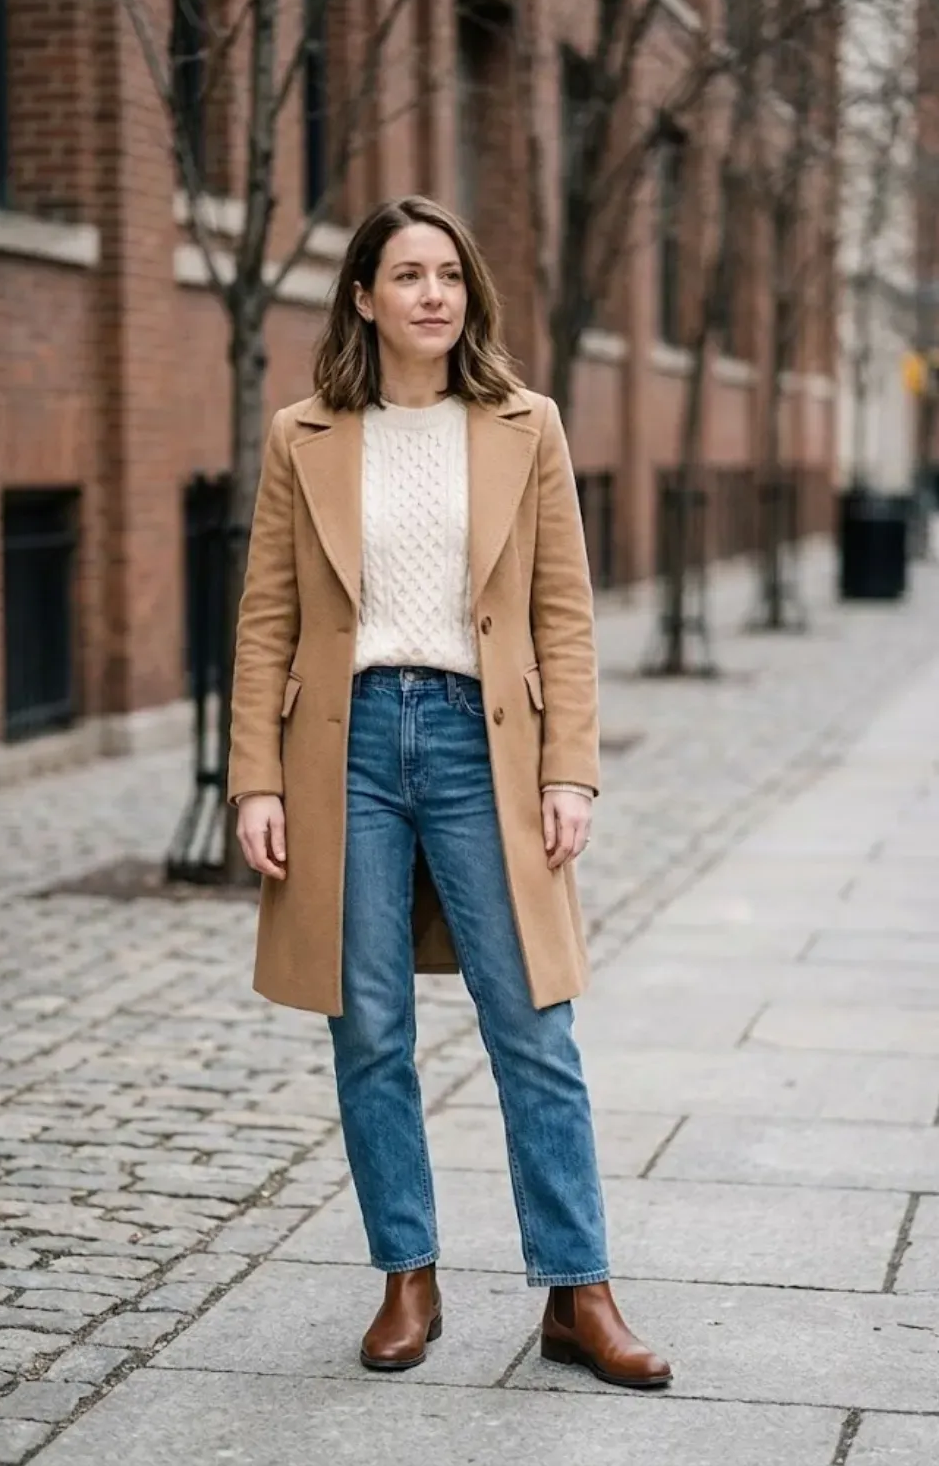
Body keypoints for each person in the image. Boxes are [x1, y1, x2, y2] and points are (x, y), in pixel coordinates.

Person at [227, 195, 671, 1389]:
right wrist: (254, 781)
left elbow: (562, 613)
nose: (433, 294)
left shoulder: (525, 425)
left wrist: (569, 766)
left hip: (486, 745)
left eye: (450, 275)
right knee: (367, 1023)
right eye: (406, 275)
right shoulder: (303, 433)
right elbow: (267, 617)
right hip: (349, 744)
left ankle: (579, 1290)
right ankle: (406, 1276)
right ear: (363, 297)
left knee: (533, 1019)